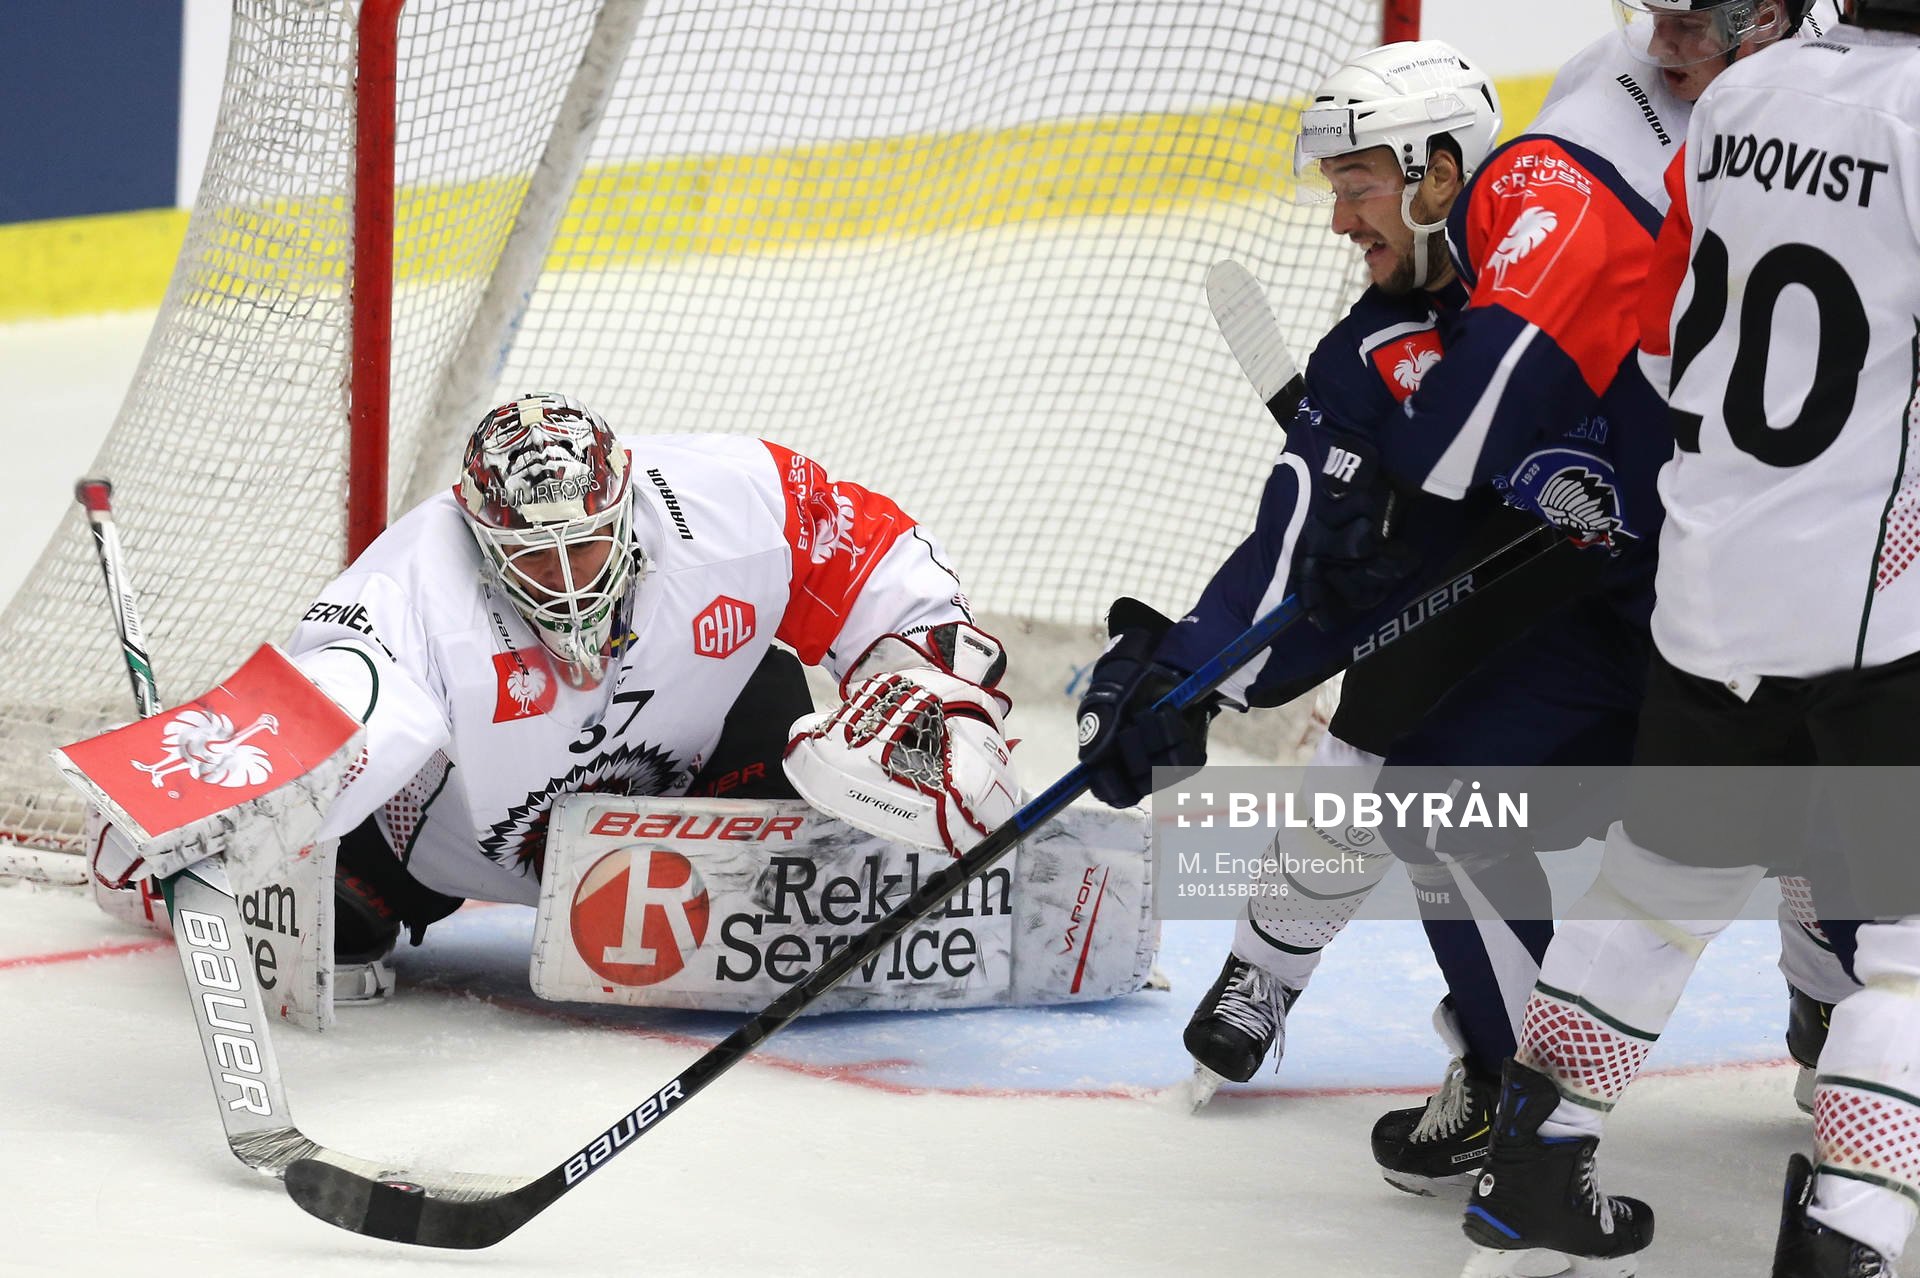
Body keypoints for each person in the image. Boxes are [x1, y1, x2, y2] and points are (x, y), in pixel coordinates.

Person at [1082, 0, 1834, 1202]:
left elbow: (1481, 421)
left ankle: (1843, 1023)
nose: (1339, 221)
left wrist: (1414, 486)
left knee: (1851, 840)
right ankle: (1511, 1077)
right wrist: (1183, 680)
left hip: (1766, 616)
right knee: (1431, 774)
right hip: (1594, 631)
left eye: (1361, 185)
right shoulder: (1370, 353)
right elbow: (1288, 554)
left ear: (1442, 169)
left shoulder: (1570, 216)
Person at [1465, 2, 1920, 1274]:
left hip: (1712, 579)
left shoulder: (1736, 99)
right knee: (1910, 943)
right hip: (1878, 614)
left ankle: (1534, 1174)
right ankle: (1853, 1233)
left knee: (1657, 887)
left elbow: (1670, 333)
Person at [90, 392, 1018, 997]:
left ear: (626, 507)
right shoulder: (414, 580)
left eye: (584, 545)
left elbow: (870, 560)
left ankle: (814, 881)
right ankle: (155, 860)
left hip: (675, 807)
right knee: (337, 923)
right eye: (534, 556)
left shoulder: (730, 500)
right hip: (447, 848)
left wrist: (926, 682)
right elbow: (332, 703)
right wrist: (195, 819)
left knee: (791, 715)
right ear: (482, 536)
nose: (568, 582)